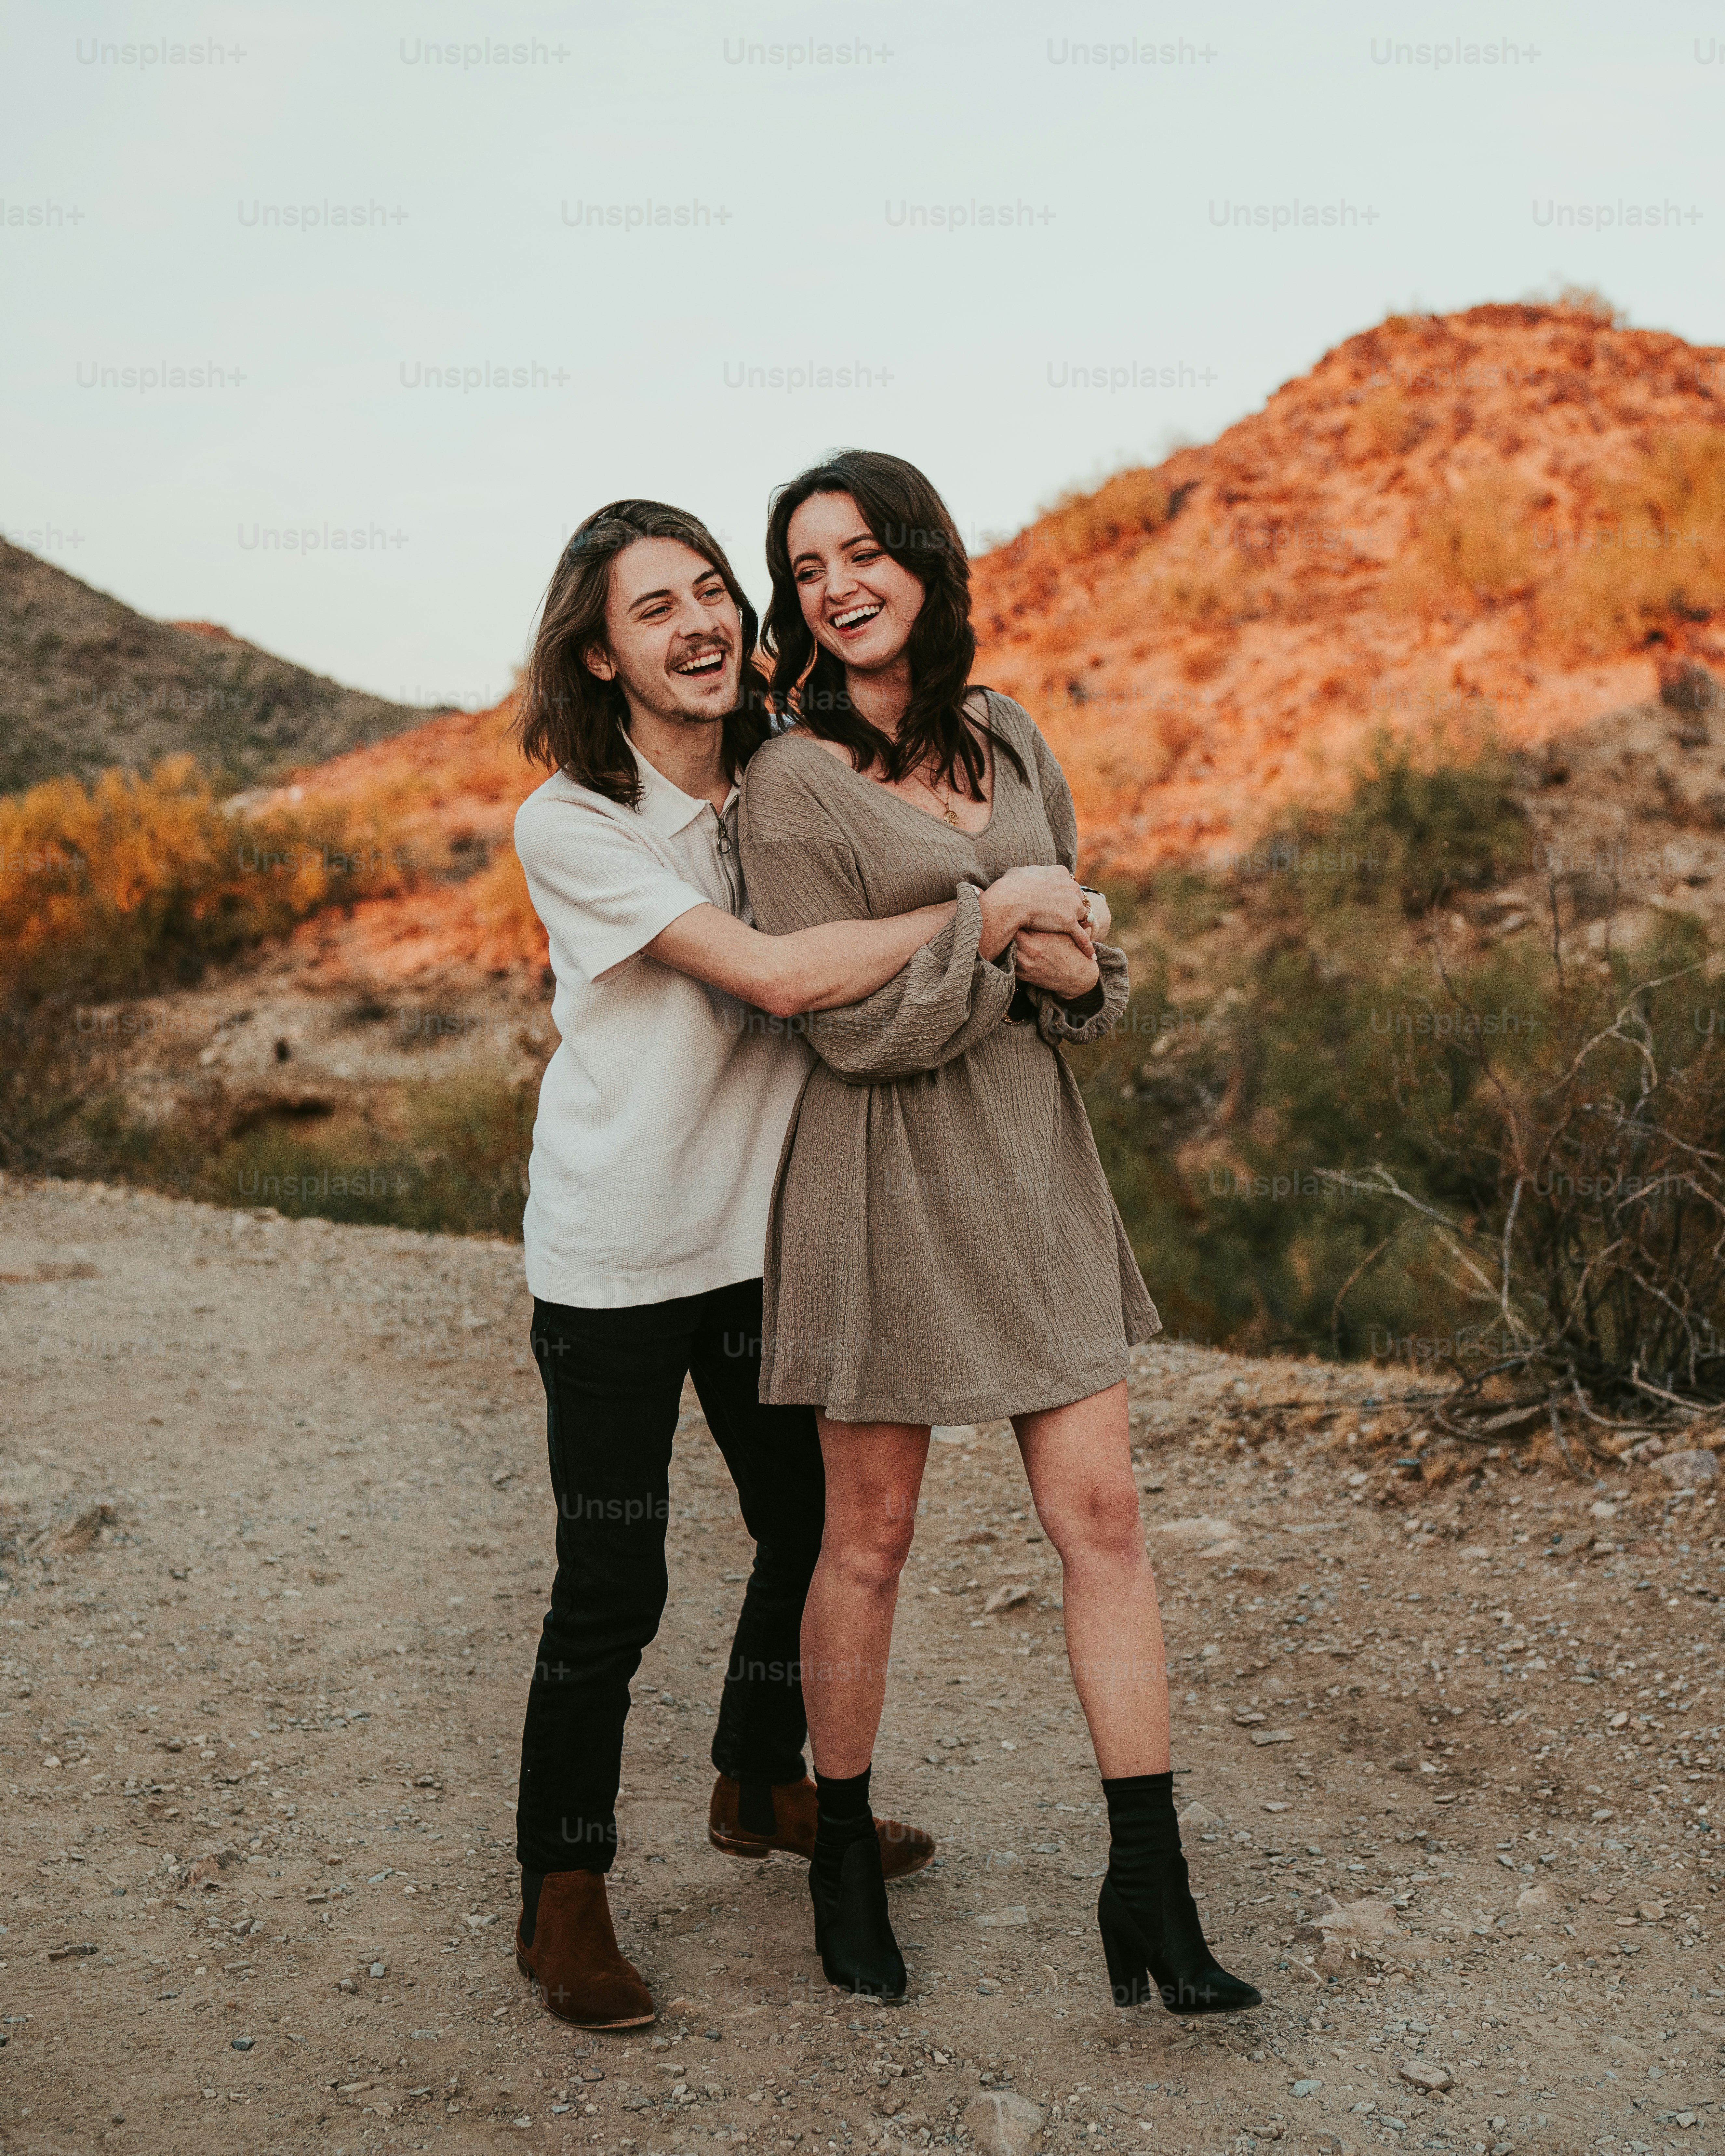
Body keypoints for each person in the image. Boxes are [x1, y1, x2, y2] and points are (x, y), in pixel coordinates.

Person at [505, 498, 1096, 2029]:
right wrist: (986, 909)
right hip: (622, 1256)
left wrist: (990, 913)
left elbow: (889, 932)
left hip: (772, 1237)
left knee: (810, 1528)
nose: (700, 623)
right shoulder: (576, 817)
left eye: (713, 590)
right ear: (599, 649)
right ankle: (563, 1895)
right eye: (655, 609)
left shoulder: (785, 779)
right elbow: (772, 972)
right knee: (609, 1584)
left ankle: (761, 1780)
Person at [737, 452, 1262, 2017]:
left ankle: (1149, 1881)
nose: (838, 584)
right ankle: (840, 1843)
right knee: (872, 1536)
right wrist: (997, 920)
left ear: (923, 558)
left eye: (863, 549)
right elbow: (844, 1031)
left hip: (1028, 1164)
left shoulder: (1011, 732)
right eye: (808, 566)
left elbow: (1082, 979)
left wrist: (1076, 955)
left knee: (1103, 1516)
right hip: (881, 1173)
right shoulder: (787, 783)